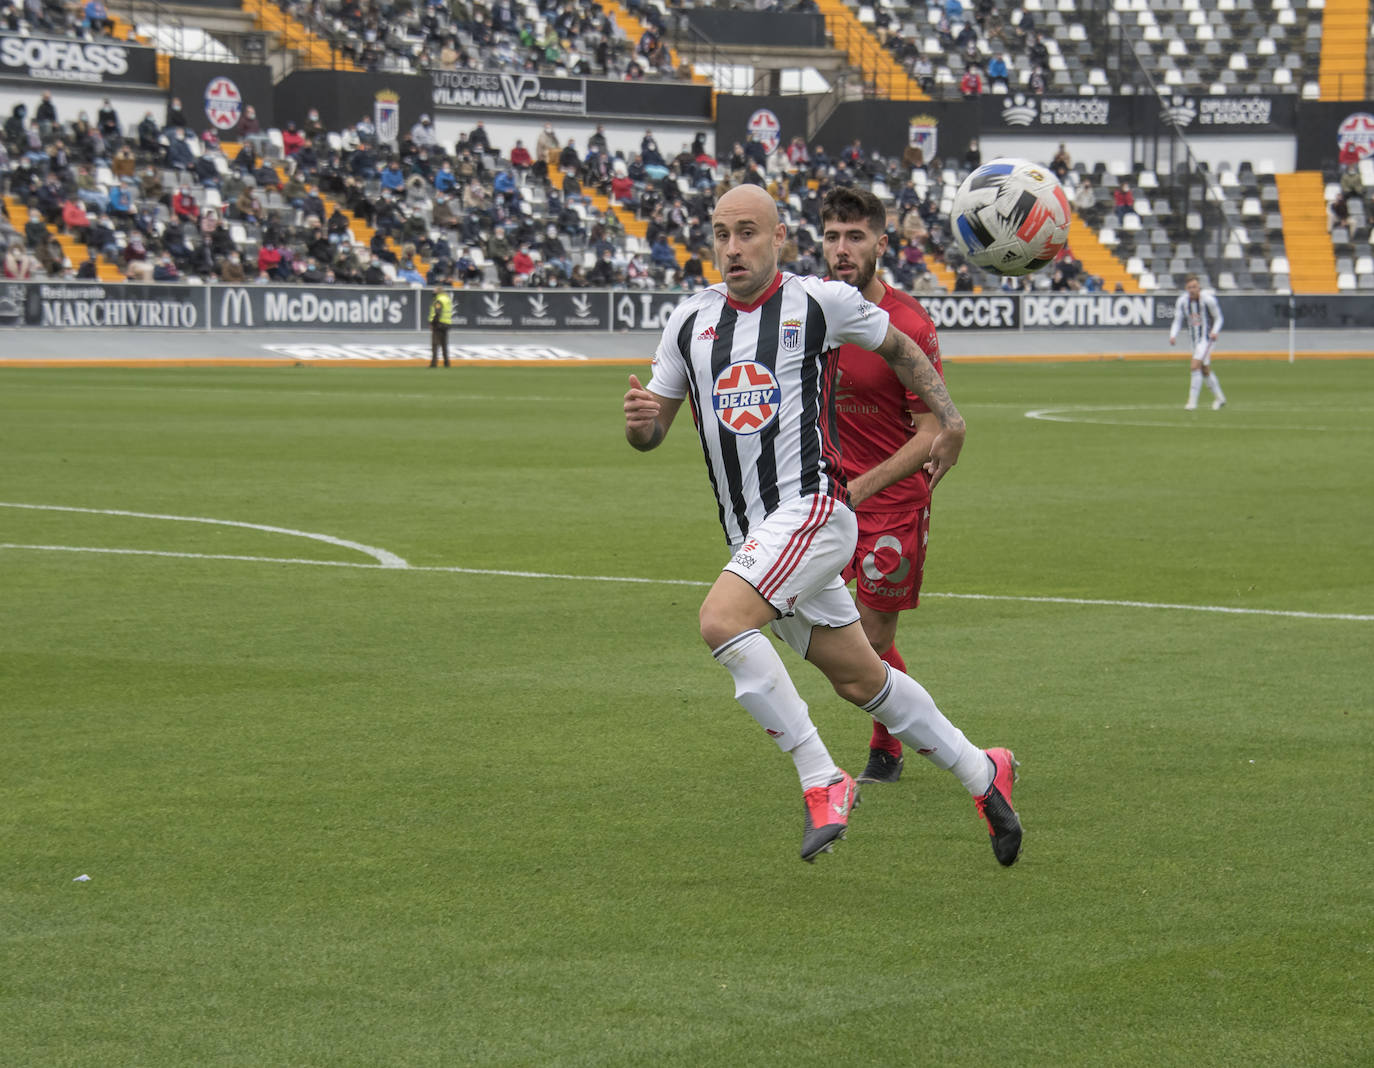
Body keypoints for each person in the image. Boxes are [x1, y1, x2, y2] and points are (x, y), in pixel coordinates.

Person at [621, 184, 1023, 866]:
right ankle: (984, 773)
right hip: (755, 539)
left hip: (811, 512)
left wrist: (950, 419)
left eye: (748, 232)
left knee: (721, 621)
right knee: (862, 681)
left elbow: (901, 350)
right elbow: (654, 426)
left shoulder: (817, 301)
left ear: (780, 238)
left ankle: (821, 775)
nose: (733, 247)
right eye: (721, 233)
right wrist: (641, 425)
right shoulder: (688, 321)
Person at [819, 186, 954, 786]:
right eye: (831, 236)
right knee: (823, 636)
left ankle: (890, 748)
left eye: (855, 236)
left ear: (880, 241)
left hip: (892, 506)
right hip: (826, 502)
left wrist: (861, 488)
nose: (842, 249)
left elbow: (931, 433)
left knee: (868, 646)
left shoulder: (908, 326)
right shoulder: (814, 314)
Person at [1170, 274, 1227, 411]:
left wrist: (1215, 331)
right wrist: (1172, 335)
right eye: (1189, 287)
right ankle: (1220, 398)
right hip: (1194, 340)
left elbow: (1219, 318)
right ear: (1186, 288)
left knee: (1194, 366)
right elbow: (1177, 320)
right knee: (1205, 370)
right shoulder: (1182, 301)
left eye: (1194, 287)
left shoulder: (1208, 300)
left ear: (1199, 287)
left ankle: (1192, 402)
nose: (1192, 290)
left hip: (1207, 339)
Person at [429, 284, 453, 367]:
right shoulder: (447, 299)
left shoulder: (438, 300)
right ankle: (447, 363)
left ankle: (434, 363)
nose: (433, 292)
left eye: (434, 291)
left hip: (438, 324)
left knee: (435, 344)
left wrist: (433, 323)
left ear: (438, 292)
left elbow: (437, 312)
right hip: (446, 324)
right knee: (444, 345)